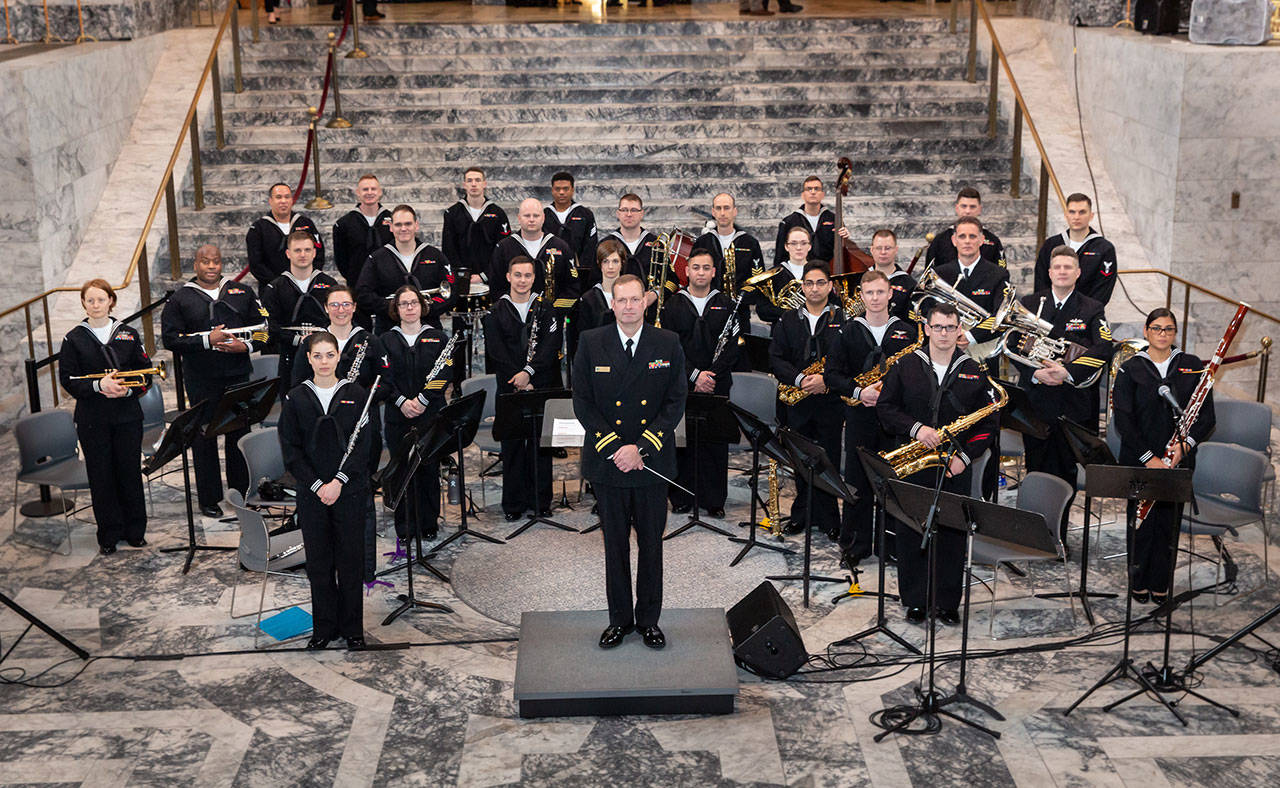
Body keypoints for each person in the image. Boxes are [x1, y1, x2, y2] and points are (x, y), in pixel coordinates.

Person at [572, 274, 687, 650]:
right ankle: (619, 620)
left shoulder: (667, 342)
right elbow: (583, 401)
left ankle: (649, 620)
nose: (628, 306)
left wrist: (642, 447)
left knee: (652, 545)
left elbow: (675, 401)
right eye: (621, 300)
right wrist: (616, 448)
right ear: (612, 304)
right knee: (615, 546)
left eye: (635, 299)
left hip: (651, 463)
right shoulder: (591, 342)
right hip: (609, 464)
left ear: (645, 302)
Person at [876, 302, 1000, 625]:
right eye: (938, 327)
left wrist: (964, 457)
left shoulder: (974, 370)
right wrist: (916, 430)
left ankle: (947, 602)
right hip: (914, 463)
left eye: (951, 327)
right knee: (910, 530)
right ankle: (915, 600)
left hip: (953, 465)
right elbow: (886, 409)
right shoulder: (905, 365)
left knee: (951, 534)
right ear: (926, 329)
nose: (944, 333)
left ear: (959, 330)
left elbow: (988, 424)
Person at [278, 331, 381, 651]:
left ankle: (353, 630)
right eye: (317, 356)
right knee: (319, 565)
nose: (324, 362)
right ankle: (324, 628)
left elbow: (366, 447)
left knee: (350, 562)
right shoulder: (295, 397)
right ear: (308, 359)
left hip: (348, 491)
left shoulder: (357, 393)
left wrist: (338, 482)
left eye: (330, 355)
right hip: (313, 494)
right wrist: (318, 485)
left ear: (339, 357)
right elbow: (291, 451)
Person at [1010, 247, 1113, 542]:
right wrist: (1033, 372)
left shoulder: (1092, 308)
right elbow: (1013, 342)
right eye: (1058, 267)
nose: (1063, 271)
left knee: (1065, 471)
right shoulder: (1031, 304)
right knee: (1035, 469)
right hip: (1036, 403)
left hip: (1072, 405)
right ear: (1050, 272)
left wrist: (1067, 372)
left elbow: (1103, 347)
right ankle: (1033, 538)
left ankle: (1058, 537)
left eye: (1069, 267)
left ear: (1078, 273)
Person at [1112, 308, 1213, 606]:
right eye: (1156, 328)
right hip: (1141, 460)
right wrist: (1148, 458)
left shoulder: (1191, 365)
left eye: (1168, 329)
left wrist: (1184, 447)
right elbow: (1124, 420)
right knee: (1140, 523)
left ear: (1174, 333)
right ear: (1146, 331)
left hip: (1177, 460)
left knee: (1168, 524)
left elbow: (1207, 417)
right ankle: (1138, 582)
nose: (1162, 334)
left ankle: (1161, 584)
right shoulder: (1131, 368)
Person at [160, 244, 270, 518]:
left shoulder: (242, 292)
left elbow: (265, 332)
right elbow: (170, 339)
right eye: (205, 261)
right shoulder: (180, 299)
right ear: (195, 264)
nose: (211, 266)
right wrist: (207, 341)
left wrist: (245, 348)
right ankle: (209, 498)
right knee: (203, 437)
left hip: (237, 376)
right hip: (201, 380)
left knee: (239, 435)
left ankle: (241, 492)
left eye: (216, 261)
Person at [824, 270, 919, 567]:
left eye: (881, 292)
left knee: (893, 481)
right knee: (857, 480)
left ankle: (891, 543)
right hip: (859, 415)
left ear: (891, 294)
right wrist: (858, 390)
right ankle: (856, 544)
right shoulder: (847, 330)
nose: (875, 298)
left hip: (895, 419)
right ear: (861, 296)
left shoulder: (908, 330)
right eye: (870, 293)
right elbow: (831, 375)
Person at [58, 279, 152, 555]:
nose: (96, 305)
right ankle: (108, 535)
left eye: (101, 299)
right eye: (90, 300)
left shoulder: (128, 334)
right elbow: (68, 380)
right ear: (84, 304)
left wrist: (125, 391)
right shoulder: (73, 338)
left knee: (129, 473)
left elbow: (145, 373)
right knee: (101, 476)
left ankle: (135, 531)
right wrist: (99, 386)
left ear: (111, 301)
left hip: (127, 417)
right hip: (92, 419)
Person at [768, 260, 846, 540]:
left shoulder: (843, 318)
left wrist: (827, 380)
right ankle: (801, 515)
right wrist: (800, 379)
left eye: (820, 283)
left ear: (830, 286)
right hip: (797, 402)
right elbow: (776, 358)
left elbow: (850, 359)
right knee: (800, 461)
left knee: (829, 460)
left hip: (829, 402)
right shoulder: (788, 319)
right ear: (802, 287)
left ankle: (829, 519)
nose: (814, 288)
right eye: (809, 283)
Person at [660, 249, 739, 518]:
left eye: (707, 268)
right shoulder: (672, 305)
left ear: (714, 272)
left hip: (717, 384)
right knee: (682, 442)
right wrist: (694, 375)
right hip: (682, 384)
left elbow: (732, 347)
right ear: (687, 271)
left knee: (715, 443)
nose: (701, 272)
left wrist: (711, 376)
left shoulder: (728, 304)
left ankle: (714, 500)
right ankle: (681, 497)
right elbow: (670, 347)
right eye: (696, 267)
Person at [483, 256, 563, 521]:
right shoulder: (495, 311)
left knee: (541, 445)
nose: (522, 280)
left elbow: (551, 345)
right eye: (517, 275)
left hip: (540, 385)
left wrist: (529, 373)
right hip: (509, 387)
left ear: (533, 278)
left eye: (527, 276)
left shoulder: (546, 307)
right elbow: (496, 351)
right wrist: (517, 378)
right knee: (513, 446)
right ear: (508, 277)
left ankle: (541, 502)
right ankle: (514, 504)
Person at [379, 286, 450, 542]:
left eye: (414, 303)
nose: (409, 308)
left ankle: (429, 523)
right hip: (398, 417)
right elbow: (382, 379)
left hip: (430, 413)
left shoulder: (438, 337)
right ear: (396, 310)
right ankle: (406, 527)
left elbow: (445, 373)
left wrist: (421, 399)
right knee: (402, 472)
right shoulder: (385, 341)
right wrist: (400, 401)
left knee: (428, 470)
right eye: (403, 304)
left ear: (422, 306)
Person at [355, 204, 454, 334]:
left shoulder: (434, 255)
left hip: (429, 327)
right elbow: (363, 293)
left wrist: (426, 308)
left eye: (408, 224)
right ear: (390, 227)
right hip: (388, 329)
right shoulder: (376, 258)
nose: (403, 229)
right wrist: (392, 307)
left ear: (416, 225)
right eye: (398, 224)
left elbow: (452, 287)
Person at [261, 230, 340, 384]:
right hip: (289, 354)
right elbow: (269, 326)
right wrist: (297, 339)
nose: (302, 254)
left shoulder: (330, 284)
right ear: (288, 253)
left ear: (314, 253)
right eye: (297, 250)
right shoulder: (274, 288)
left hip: (325, 358)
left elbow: (339, 318)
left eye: (307, 250)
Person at [487, 198, 579, 314]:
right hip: (514, 316)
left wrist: (554, 310)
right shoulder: (504, 248)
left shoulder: (561, 247)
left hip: (553, 316)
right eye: (527, 216)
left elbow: (572, 286)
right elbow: (495, 285)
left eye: (536, 216)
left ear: (543, 218)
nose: (531, 220)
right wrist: (510, 309)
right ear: (519, 218)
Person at [1033, 193, 1118, 305]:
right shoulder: (1051, 244)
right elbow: (1041, 281)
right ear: (1066, 215)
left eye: (1082, 212)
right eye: (1072, 212)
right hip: (1051, 314)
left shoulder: (1104, 249)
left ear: (1091, 215)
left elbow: (1103, 290)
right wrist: (1050, 308)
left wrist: (1082, 312)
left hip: (1086, 316)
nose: (1076, 217)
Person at [246, 182, 325, 291]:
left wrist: (307, 279)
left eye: (287, 197)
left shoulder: (306, 224)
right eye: (278, 197)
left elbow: (319, 254)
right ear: (270, 201)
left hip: (306, 287)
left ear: (292, 200)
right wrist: (279, 284)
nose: (283, 201)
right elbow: (256, 264)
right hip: (272, 289)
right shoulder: (258, 228)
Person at [441, 167, 510, 287]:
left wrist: (484, 275)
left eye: (478, 180)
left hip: (491, 278)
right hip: (461, 280)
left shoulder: (498, 214)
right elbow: (448, 249)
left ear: (484, 184)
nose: (474, 184)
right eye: (470, 180)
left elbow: (503, 249)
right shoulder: (452, 213)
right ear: (464, 185)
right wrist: (462, 275)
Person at [692, 192, 765, 297]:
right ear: (713, 212)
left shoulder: (750, 243)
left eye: (726, 208)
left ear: (735, 211)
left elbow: (758, 278)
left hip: (740, 308)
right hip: (709, 307)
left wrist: (742, 296)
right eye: (718, 208)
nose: (722, 213)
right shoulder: (702, 242)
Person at [331, 174, 392, 291]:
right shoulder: (344, 224)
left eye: (373, 189)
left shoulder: (393, 220)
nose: (369, 192)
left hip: (387, 283)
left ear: (380, 192)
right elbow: (341, 259)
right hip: (357, 284)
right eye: (365, 189)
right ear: (358, 193)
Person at [926, 187, 1005, 269]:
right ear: (957, 208)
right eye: (964, 206)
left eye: (972, 207)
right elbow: (929, 275)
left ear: (979, 209)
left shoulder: (993, 241)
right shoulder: (940, 240)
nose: (968, 211)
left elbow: (1001, 273)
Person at [774, 176, 836, 265]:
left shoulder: (834, 219)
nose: (813, 192)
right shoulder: (789, 222)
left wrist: (845, 239)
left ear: (822, 194)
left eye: (817, 189)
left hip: (828, 272)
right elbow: (780, 256)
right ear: (803, 195)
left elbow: (843, 250)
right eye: (809, 189)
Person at [543, 171, 598, 270]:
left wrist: (583, 269)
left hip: (577, 269)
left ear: (572, 190)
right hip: (549, 269)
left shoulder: (585, 214)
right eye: (557, 189)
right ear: (552, 190)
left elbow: (591, 246)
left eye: (565, 189)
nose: (561, 192)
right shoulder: (543, 215)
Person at [860, 228, 917, 322]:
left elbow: (911, 322)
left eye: (888, 248)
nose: (883, 252)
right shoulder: (859, 278)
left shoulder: (909, 285)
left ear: (896, 250)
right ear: (871, 250)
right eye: (879, 248)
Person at [597, 193, 659, 279]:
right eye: (624, 210)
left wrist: (655, 292)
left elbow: (671, 279)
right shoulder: (605, 244)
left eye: (634, 210)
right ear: (618, 214)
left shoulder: (656, 243)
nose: (629, 214)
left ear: (642, 214)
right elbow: (594, 279)